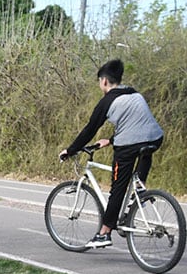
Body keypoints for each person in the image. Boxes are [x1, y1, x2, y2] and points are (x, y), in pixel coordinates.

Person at [60, 58, 164, 249]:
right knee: (145, 152)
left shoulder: (107, 101)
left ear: (104, 81)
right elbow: (136, 124)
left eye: (100, 82)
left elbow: (89, 130)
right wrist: (110, 140)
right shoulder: (133, 93)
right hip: (155, 138)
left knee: (118, 188)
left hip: (129, 145)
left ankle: (104, 233)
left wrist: (71, 149)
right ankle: (140, 186)